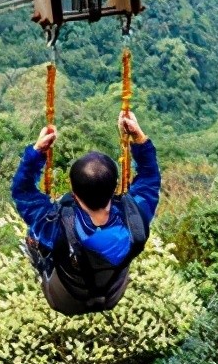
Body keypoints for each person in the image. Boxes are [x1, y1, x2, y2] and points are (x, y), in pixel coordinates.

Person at [11, 111, 160, 315]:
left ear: (72, 189)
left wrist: (37, 153)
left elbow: (23, 192)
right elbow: (149, 180)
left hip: (64, 298)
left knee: (36, 236)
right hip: (112, 293)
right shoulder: (136, 218)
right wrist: (138, 138)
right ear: (115, 186)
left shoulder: (55, 225)